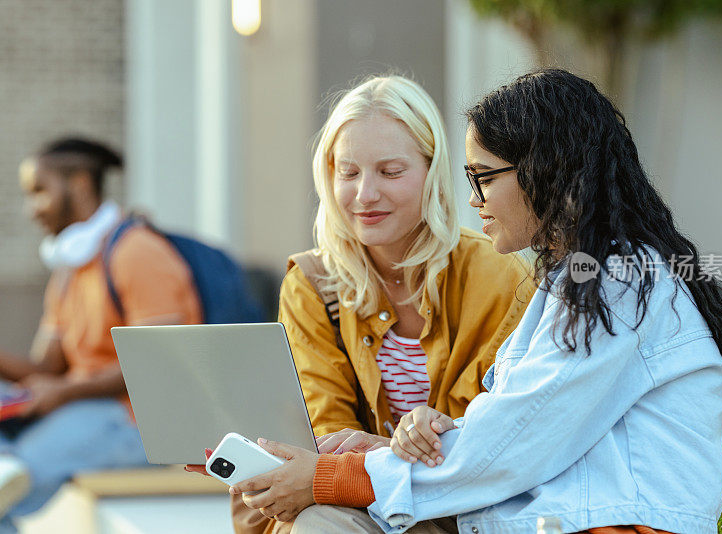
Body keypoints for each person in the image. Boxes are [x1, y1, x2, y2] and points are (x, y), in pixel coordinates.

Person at [222, 69, 722, 534]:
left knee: (328, 513)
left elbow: (513, 443)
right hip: (525, 513)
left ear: (545, 170)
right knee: (325, 521)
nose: (474, 200)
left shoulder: (617, 283)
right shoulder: (581, 278)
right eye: (470, 180)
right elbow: (509, 429)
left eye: (483, 178)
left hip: (600, 525)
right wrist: (402, 440)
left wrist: (330, 476)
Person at [227, 75, 537, 533]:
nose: (364, 195)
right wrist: (387, 451)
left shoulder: (500, 276)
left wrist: (380, 454)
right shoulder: (311, 285)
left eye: (390, 172)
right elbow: (321, 439)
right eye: (347, 172)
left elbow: (487, 441)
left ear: (433, 172)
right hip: (346, 503)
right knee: (321, 520)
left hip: (454, 510)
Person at [0, 138, 201, 533]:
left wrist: (63, 392)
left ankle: (4, 468)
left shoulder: (136, 251)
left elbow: (155, 362)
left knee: (1, 494)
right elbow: (45, 368)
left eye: (39, 191)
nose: (30, 209)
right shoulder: (68, 271)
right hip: (81, 409)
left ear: (81, 184)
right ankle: (3, 465)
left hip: (137, 423)